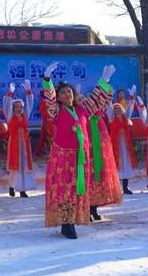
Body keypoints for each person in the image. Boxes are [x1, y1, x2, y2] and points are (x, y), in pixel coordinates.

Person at [42, 62, 115, 239]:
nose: (67, 94)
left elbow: (97, 99)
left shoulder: (83, 109)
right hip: (63, 157)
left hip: (80, 157)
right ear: (58, 98)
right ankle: (67, 224)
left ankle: (72, 220)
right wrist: (47, 80)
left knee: (77, 189)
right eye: (62, 93)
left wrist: (104, 81)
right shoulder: (57, 112)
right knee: (65, 189)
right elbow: (49, 102)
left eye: (69, 91)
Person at [80, 89, 122, 221]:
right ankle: (87, 209)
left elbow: (106, 98)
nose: (85, 102)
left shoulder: (98, 112)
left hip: (100, 151)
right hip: (88, 152)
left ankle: (95, 209)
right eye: (81, 100)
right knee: (88, 179)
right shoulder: (82, 114)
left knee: (99, 178)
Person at [3, 80, 35, 198]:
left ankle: (23, 190)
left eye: (21, 107)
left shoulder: (25, 115)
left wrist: (28, 92)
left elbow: (30, 104)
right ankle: (12, 186)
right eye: (17, 107)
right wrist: (10, 93)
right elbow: (6, 106)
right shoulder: (10, 116)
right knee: (14, 168)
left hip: (25, 145)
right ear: (13, 107)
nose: (20, 109)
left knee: (24, 168)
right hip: (14, 145)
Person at [107, 85, 138, 194]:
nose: (117, 110)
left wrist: (131, 97)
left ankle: (125, 187)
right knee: (116, 166)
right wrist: (110, 98)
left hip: (125, 147)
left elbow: (130, 107)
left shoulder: (126, 118)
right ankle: (116, 188)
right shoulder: (111, 119)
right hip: (115, 146)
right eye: (115, 109)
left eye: (119, 108)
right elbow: (109, 108)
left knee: (126, 165)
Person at [34, 91, 55, 156]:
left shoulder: (45, 102)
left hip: (47, 121)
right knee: (51, 137)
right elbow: (45, 113)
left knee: (43, 137)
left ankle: (38, 151)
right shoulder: (45, 102)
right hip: (48, 121)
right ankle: (51, 152)